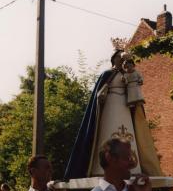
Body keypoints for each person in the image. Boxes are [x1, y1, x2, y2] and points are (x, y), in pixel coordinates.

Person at [64, 49, 162, 180]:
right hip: (110, 107)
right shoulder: (107, 74)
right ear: (113, 59)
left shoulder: (127, 74)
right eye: (118, 57)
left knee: (129, 134)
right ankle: (100, 168)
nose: (121, 60)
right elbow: (98, 94)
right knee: (107, 133)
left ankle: (133, 167)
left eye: (122, 58)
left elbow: (136, 83)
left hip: (125, 107)